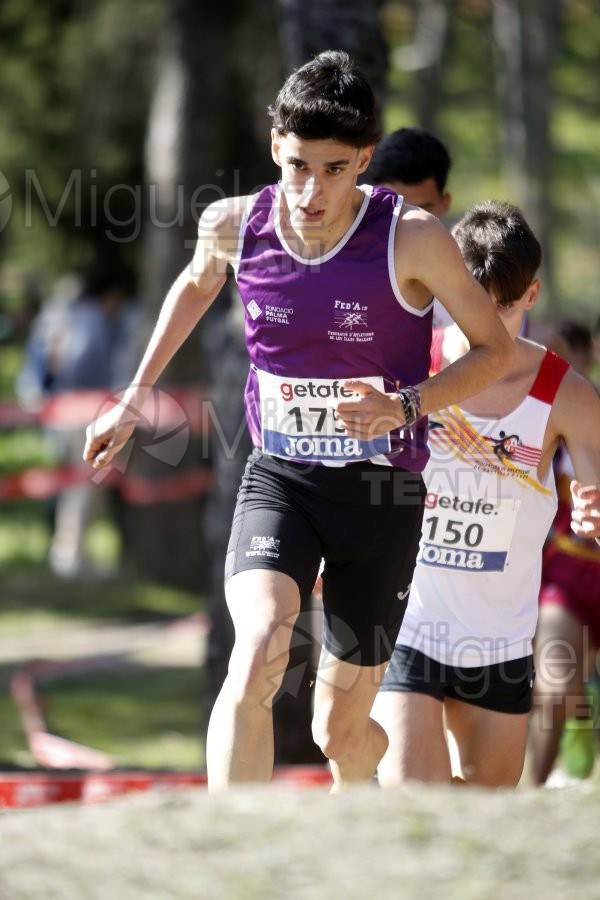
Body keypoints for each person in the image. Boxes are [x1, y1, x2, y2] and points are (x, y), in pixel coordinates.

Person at [83, 51, 514, 791]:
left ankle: (360, 812)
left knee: (337, 732)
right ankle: (230, 851)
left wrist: (406, 405)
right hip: (281, 479)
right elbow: (194, 285)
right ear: (275, 144)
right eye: (299, 166)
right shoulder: (234, 224)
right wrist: (133, 393)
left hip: (381, 500)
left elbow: (496, 351)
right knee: (256, 648)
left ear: (367, 161)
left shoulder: (410, 238)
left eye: (337, 169)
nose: (313, 191)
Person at [371, 200, 600, 788]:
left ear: (532, 294)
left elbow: (596, 485)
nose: (492, 322)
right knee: (411, 807)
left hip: (501, 643)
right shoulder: (407, 371)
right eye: (476, 302)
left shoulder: (566, 394)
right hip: (410, 625)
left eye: (507, 304)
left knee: (482, 823)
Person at [529, 318, 600, 785]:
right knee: (555, 685)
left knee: (570, 687)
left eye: (560, 352)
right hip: (567, 580)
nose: (551, 362)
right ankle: (529, 799)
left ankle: (582, 708)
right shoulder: (538, 413)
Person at [368, 126, 453, 328]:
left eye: (422, 210)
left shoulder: (478, 281)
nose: (408, 222)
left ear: (445, 204)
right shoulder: (345, 268)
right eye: (394, 207)